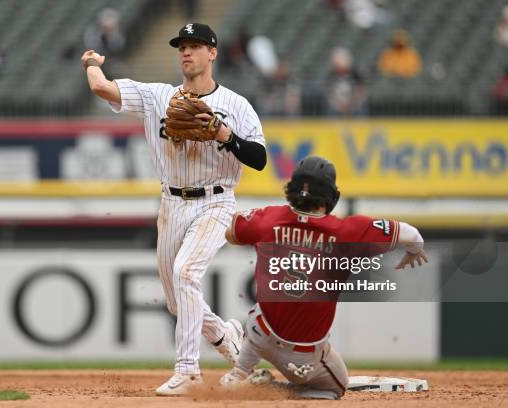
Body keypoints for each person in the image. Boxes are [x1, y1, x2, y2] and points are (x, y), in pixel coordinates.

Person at [81, 22, 267, 395]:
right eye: (182, 45)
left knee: (185, 276)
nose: (186, 51)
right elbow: (102, 87)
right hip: (171, 204)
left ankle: (188, 370)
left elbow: (260, 158)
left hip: (217, 201)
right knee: (176, 301)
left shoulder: (235, 105)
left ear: (212, 53)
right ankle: (228, 338)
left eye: (195, 45)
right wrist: (92, 61)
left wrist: (223, 134)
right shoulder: (157, 97)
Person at [219, 156, 428, 400]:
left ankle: (239, 374)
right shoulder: (347, 232)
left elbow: (230, 233)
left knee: (260, 315)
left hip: (258, 331)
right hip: (300, 355)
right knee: (336, 387)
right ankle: (274, 391)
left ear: (291, 190)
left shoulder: (268, 218)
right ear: (331, 196)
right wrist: (414, 251)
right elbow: (411, 234)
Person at [325, 47, 367, 116]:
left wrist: (353, 103)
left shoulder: (355, 74)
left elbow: (362, 91)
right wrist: (338, 104)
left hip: (353, 103)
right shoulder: (332, 76)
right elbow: (329, 94)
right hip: (337, 104)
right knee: (331, 109)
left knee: (361, 108)